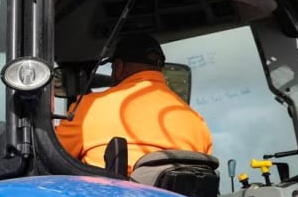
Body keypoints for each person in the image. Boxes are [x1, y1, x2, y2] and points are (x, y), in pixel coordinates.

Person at [56, 33, 212, 176]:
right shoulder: (197, 123)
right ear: (160, 69)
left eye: (112, 69)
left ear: (119, 67)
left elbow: (52, 157)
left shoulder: (89, 107)